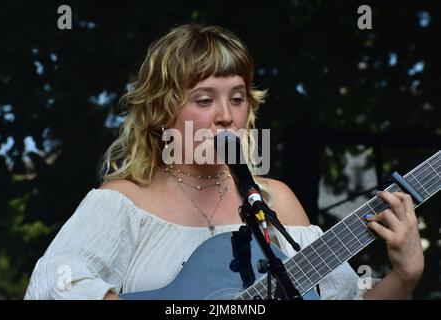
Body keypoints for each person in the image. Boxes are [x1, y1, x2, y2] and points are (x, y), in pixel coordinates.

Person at [24, 24, 424, 300]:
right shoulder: (122, 202)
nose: (225, 114)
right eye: (204, 99)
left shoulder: (275, 200)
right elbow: (53, 284)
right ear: (164, 112)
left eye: (236, 97)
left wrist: (405, 277)